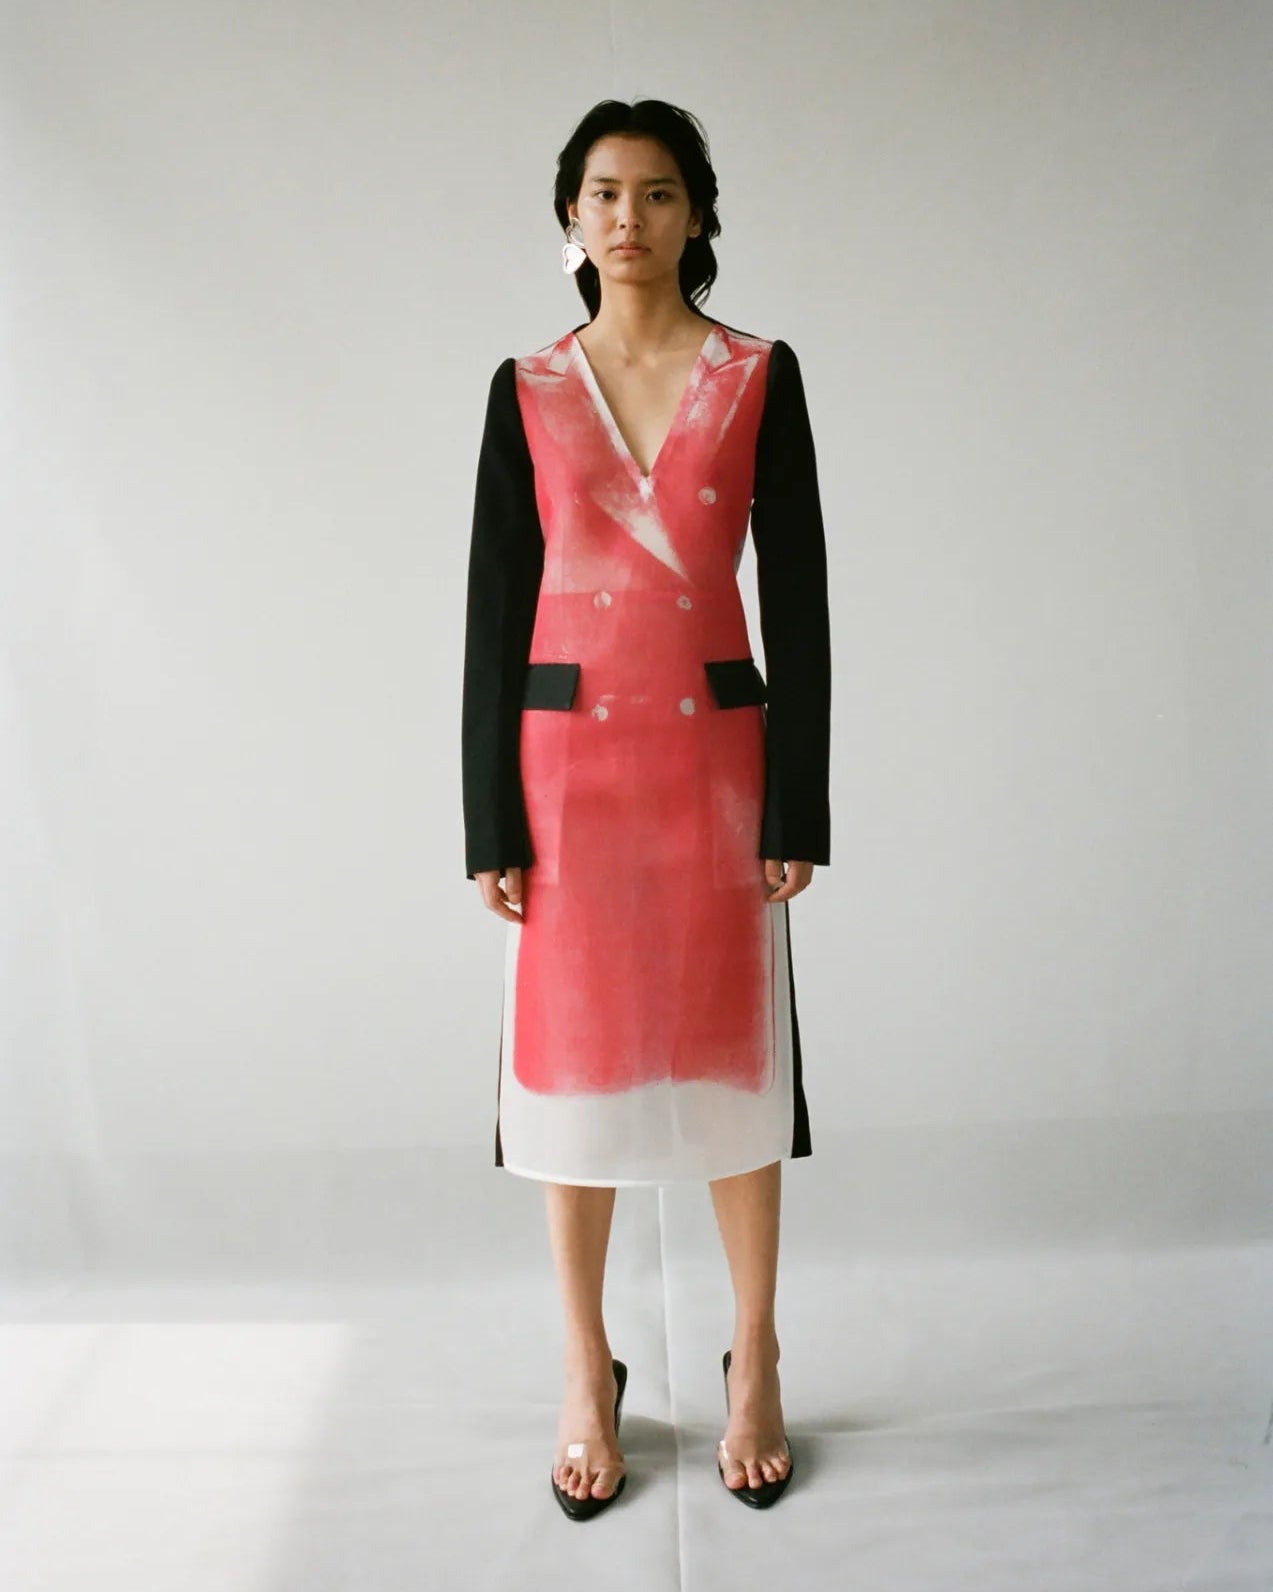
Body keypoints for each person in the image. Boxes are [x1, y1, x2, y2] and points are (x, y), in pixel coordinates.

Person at [461, 98, 831, 1519]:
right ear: (571, 215)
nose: (630, 217)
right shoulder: (526, 387)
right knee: (565, 1082)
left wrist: (798, 800)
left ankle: (755, 1354)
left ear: (696, 214)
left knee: (738, 1069)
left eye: (659, 192)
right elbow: (495, 614)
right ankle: (584, 1368)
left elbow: (797, 596)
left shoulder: (756, 376)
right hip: (567, 778)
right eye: (606, 192)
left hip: (715, 770)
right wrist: (487, 819)